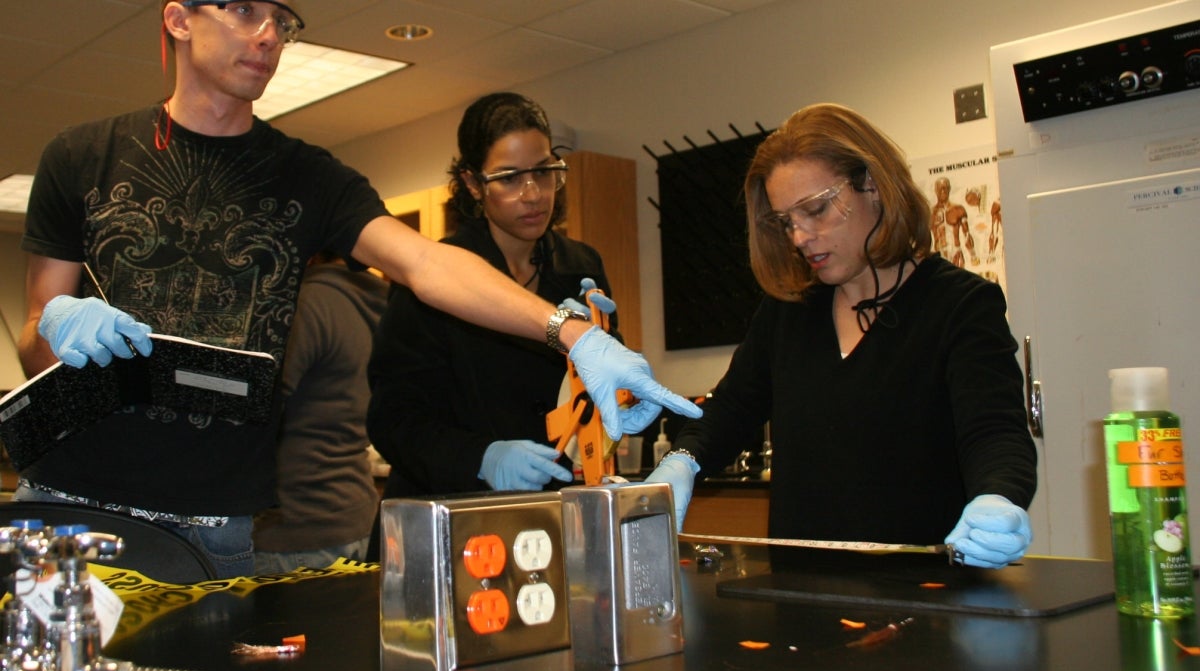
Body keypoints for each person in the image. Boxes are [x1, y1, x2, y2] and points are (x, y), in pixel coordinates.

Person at [16, 1, 700, 579]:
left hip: (216, 524)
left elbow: (428, 265)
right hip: (70, 496)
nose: (268, 35)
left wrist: (573, 332)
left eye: (282, 20)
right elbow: (35, 338)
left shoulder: (308, 177)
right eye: (243, 8)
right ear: (179, 19)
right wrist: (56, 326)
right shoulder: (82, 156)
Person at [645, 103, 1037, 569]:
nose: (799, 237)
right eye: (786, 221)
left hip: (924, 598)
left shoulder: (960, 305)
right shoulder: (789, 313)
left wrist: (999, 497)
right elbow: (731, 411)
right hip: (802, 598)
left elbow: (995, 432)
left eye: (815, 210)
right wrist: (684, 460)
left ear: (873, 184)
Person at [367, 92, 615, 506]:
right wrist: (481, 458)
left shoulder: (581, 266)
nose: (533, 193)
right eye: (510, 178)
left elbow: (596, 394)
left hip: (553, 506)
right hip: (455, 507)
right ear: (472, 183)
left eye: (543, 171)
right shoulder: (438, 275)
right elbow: (393, 419)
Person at [252, 252, 385, 574]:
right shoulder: (380, 302)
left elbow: (261, 409)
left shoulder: (305, 304)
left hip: (297, 523)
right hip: (355, 510)